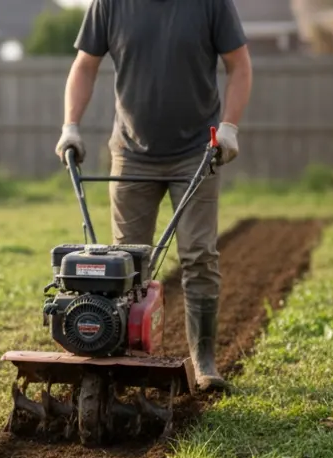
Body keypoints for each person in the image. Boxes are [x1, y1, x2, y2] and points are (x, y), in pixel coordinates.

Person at [55, 0, 252, 392]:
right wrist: (70, 126)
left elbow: (239, 65)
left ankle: (204, 360)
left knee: (198, 254)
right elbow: (85, 65)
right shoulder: (109, 4)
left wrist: (229, 126)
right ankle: (126, 358)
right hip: (130, 152)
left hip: (198, 151)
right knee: (126, 262)